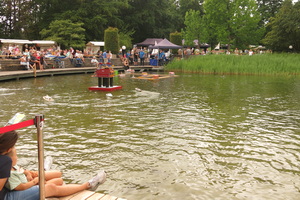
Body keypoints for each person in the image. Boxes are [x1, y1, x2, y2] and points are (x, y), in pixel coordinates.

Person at [0, 130, 106, 200]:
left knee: (56, 178)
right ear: (8, 149)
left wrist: (27, 173)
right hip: (7, 196)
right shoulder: (5, 161)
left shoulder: (5, 159)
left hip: (14, 186)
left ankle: (44, 171)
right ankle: (87, 185)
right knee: (50, 187)